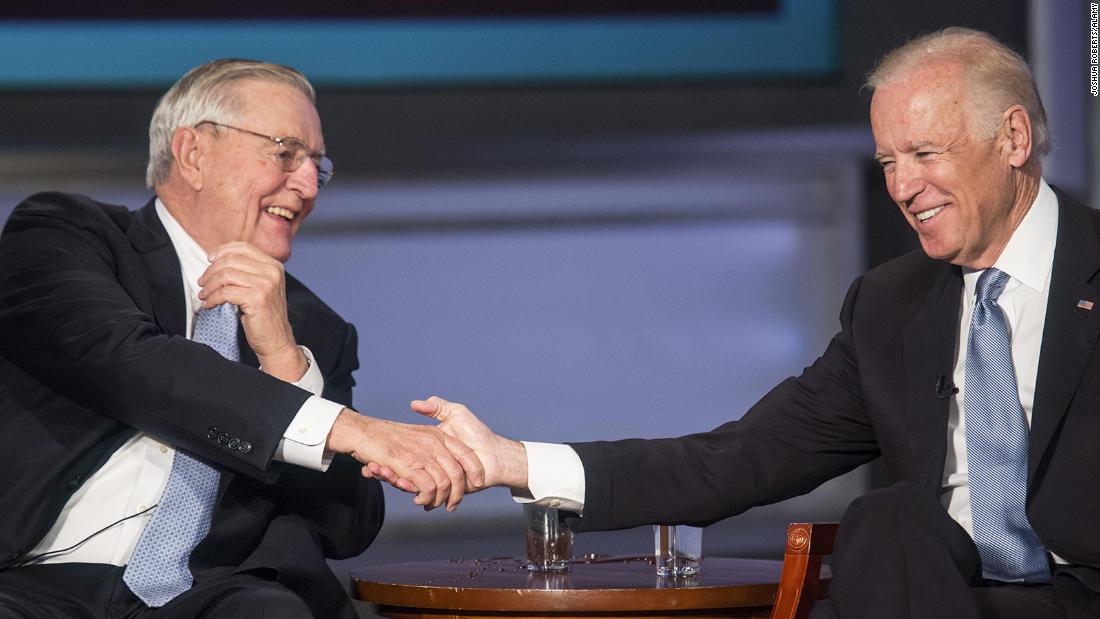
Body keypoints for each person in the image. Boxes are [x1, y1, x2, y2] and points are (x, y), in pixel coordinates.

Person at [374, 28, 1100, 618]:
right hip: (937, 595)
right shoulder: (891, 305)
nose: (904, 188)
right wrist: (514, 461)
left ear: (1011, 138)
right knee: (889, 519)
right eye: (887, 161)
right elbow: (737, 456)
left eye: (924, 154)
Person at [0, 59, 482, 618]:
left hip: (215, 590)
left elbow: (347, 526)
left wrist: (282, 358)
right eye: (285, 153)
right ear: (193, 154)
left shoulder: (314, 329)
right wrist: (345, 426)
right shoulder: (68, 236)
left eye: (316, 168)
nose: (306, 185)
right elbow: (129, 363)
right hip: (34, 579)